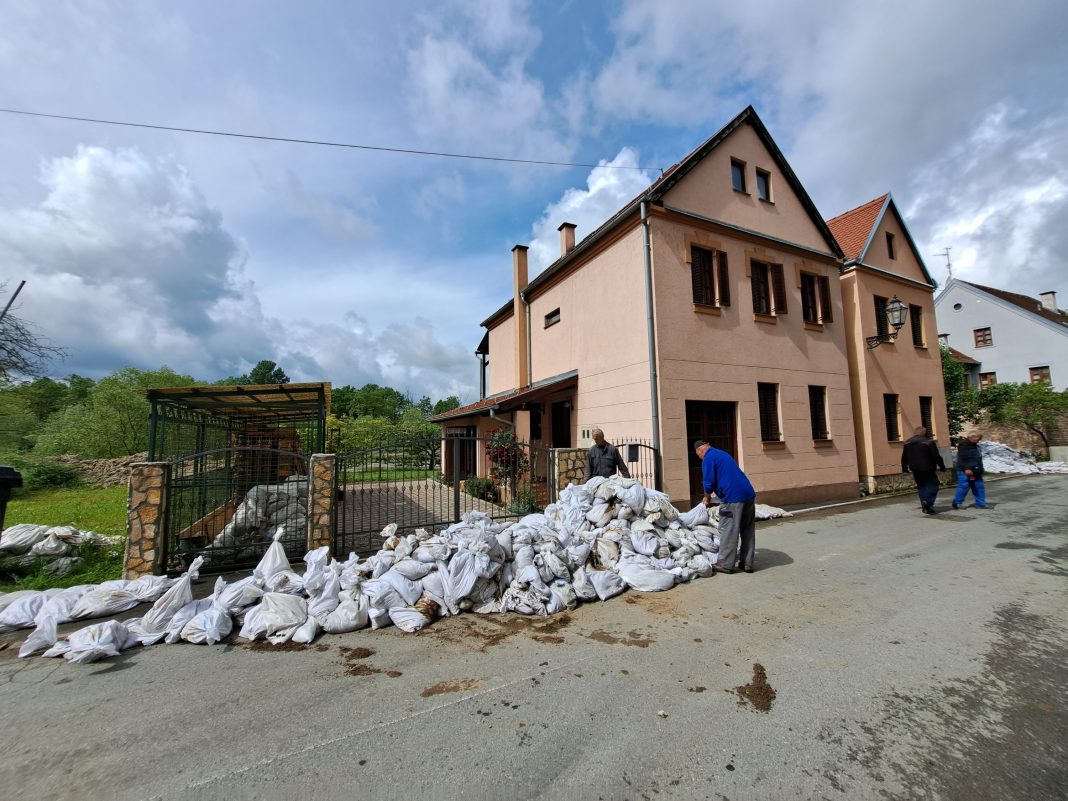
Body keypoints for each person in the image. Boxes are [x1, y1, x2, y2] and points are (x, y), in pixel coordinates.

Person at [694, 440, 756, 574]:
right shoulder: (721, 454)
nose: (700, 458)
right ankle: (747, 563)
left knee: (728, 529)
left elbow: (708, 481)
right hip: (748, 494)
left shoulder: (708, 458)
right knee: (747, 530)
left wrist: (707, 497)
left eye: (698, 455)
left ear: (700, 451)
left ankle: (725, 564)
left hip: (733, 498)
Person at [901, 426, 947, 515]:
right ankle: (928, 502)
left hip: (914, 468)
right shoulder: (928, 442)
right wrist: (942, 466)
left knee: (921, 486)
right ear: (924, 432)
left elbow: (904, 456)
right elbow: (936, 456)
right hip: (928, 467)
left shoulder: (907, 443)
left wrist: (904, 468)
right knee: (934, 484)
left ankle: (925, 506)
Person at [952, 433, 988, 509]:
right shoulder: (963, 446)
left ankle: (981, 503)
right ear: (972, 437)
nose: (979, 441)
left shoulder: (976, 446)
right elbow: (962, 458)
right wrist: (966, 468)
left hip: (976, 469)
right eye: (978, 439)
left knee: (979, 486)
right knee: (963, 486)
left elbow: (977, 459)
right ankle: (957, 502)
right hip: (965, 470)